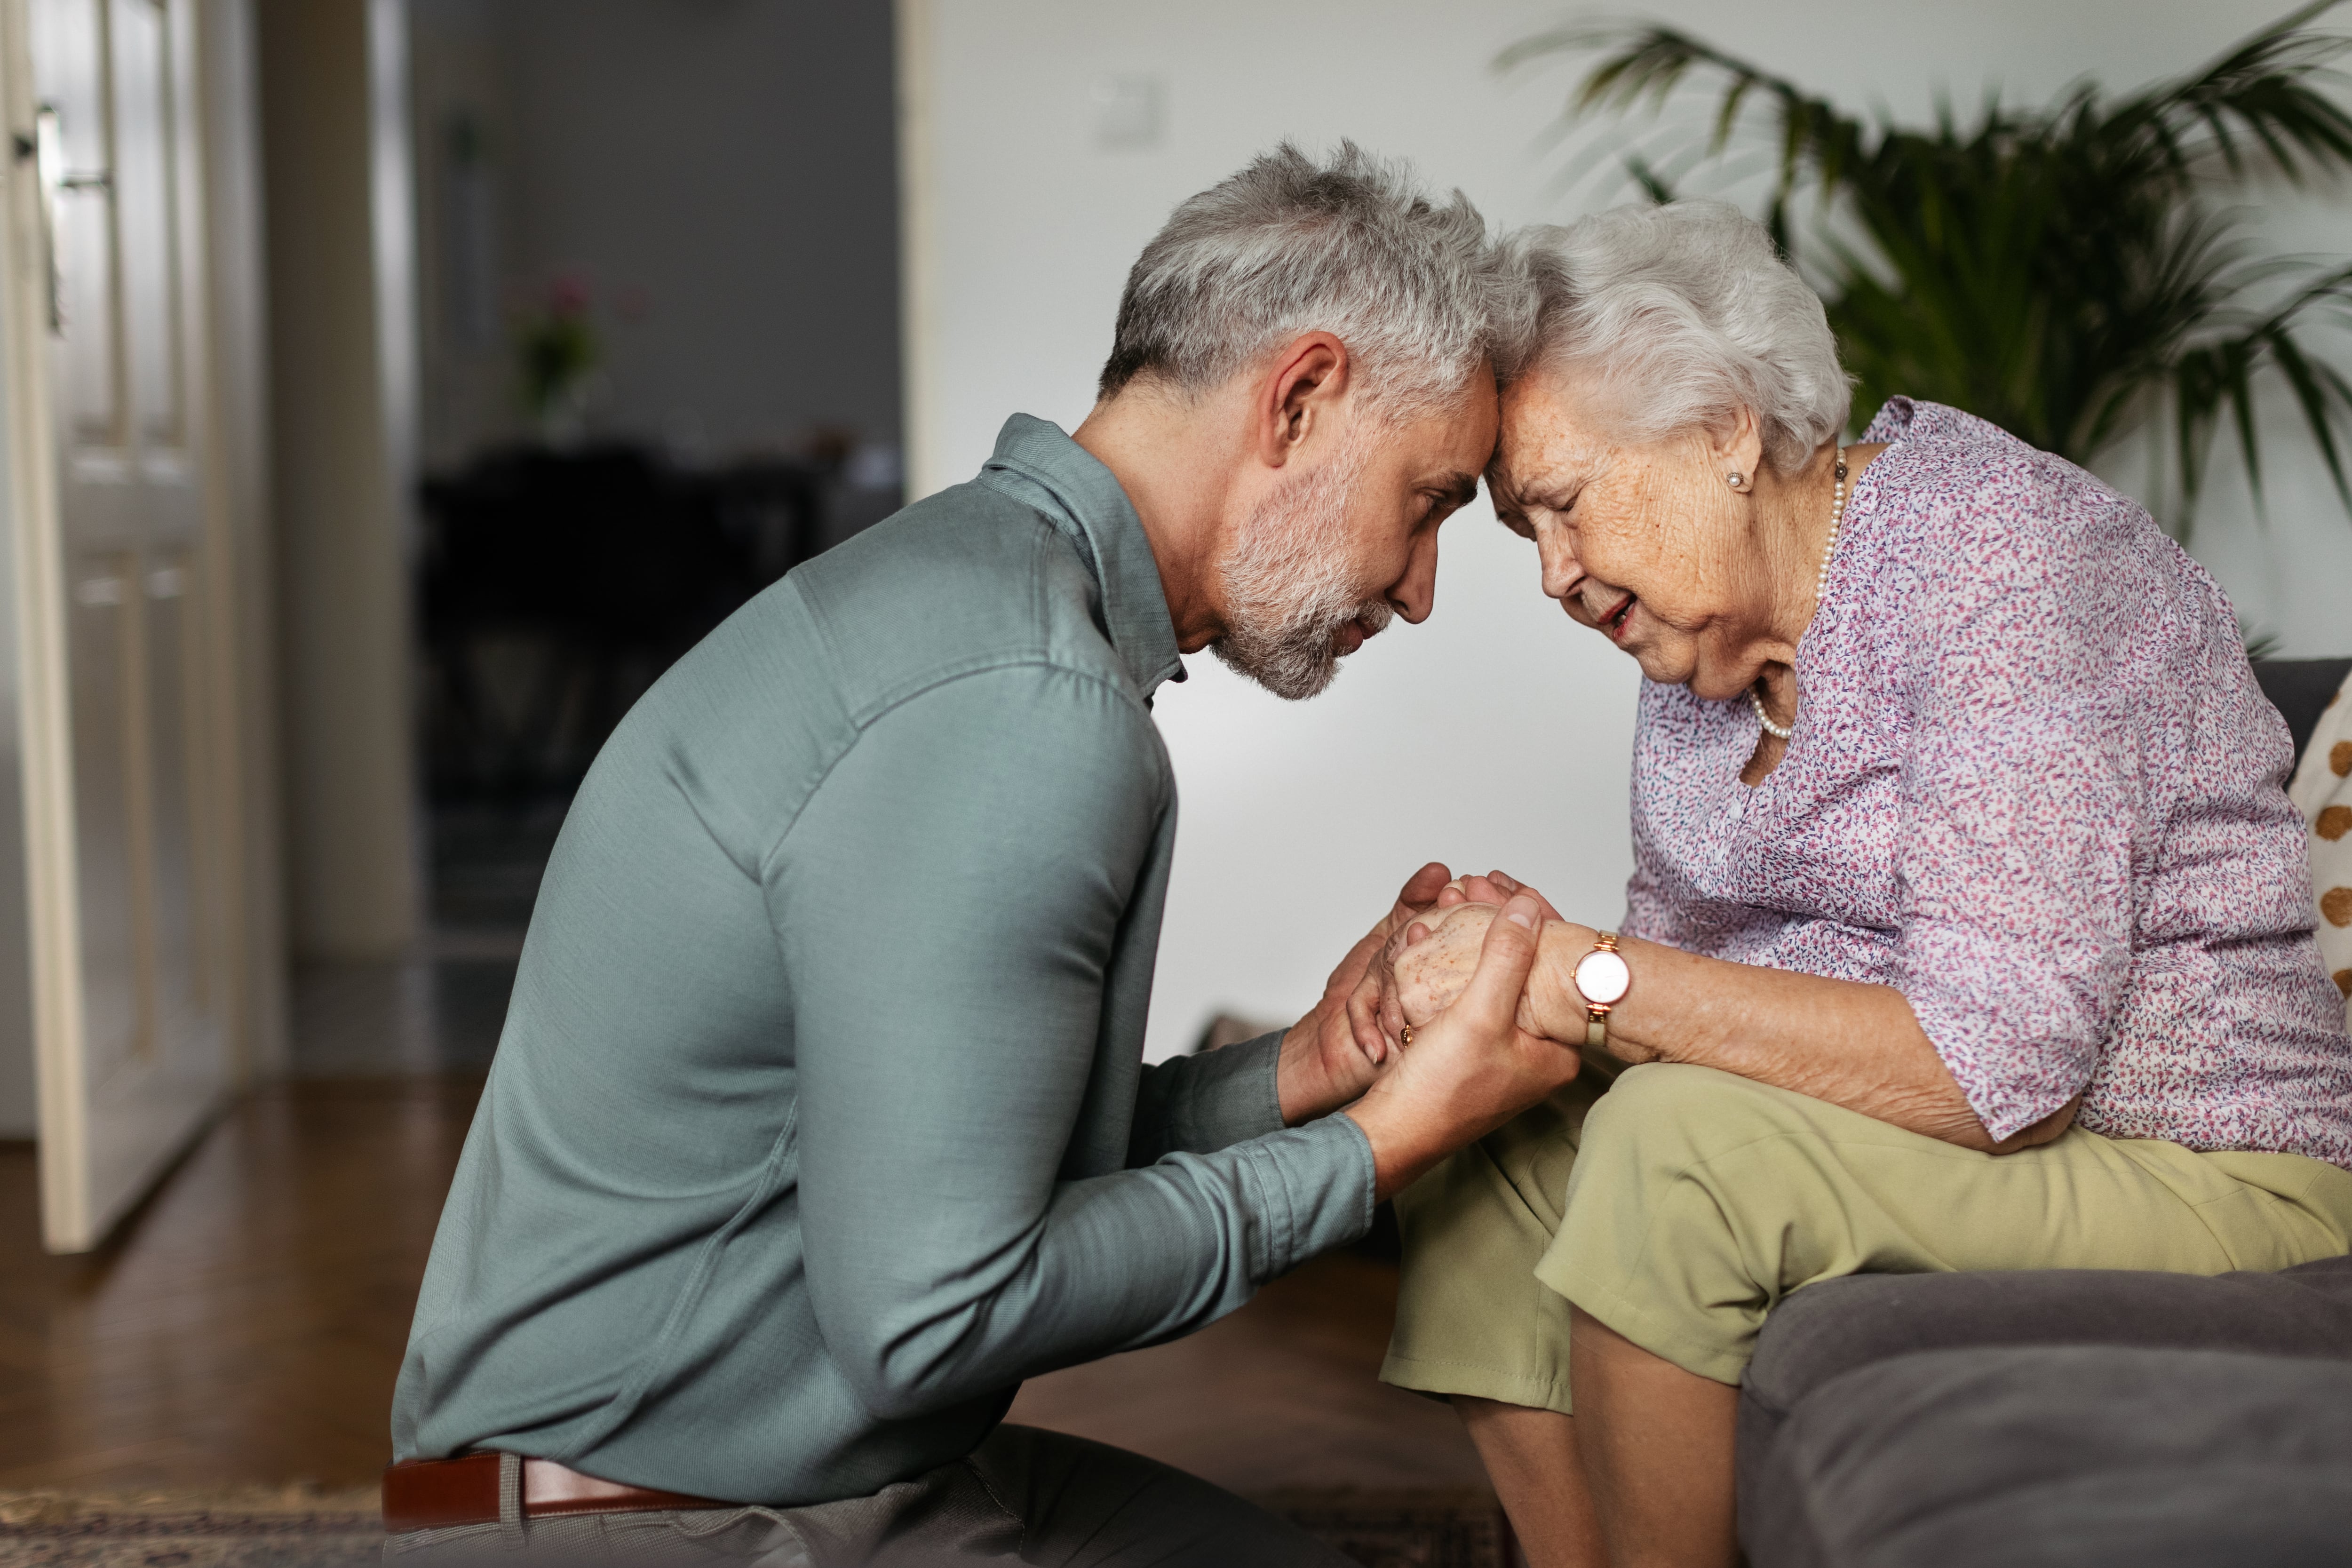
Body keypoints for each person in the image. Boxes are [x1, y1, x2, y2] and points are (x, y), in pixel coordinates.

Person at [383, 143, 1583, 1567]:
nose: (1422, 587)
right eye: (1432, 500)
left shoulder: (979, 600)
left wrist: (1309, 1072)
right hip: (668, 1525)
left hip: (739, 1470)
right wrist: (1383, 1150)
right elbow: (933, 1316)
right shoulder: (1022, 703)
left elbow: (952, 1160)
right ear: (1301, 399)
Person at [1371, 201, 2352, 1568]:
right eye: (1524, 530)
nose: (1554, 575)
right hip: (1990, 1142)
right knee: (1489, 1121)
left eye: (1565, 505)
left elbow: (1995, 1070)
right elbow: (1673, 995)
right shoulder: (1703, 646)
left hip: (2206, 1165)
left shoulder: (2001, 565)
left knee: (1672, 1149)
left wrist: (1584, 974)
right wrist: (1513, 967)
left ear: (1722, 430)